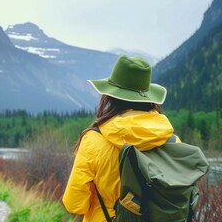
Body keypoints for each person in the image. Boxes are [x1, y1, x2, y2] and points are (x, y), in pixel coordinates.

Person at [62, 55, 181, 222]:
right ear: (148, 97)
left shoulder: (94, 140)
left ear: (111, 96)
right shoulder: (171, 140)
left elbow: (75, 204)